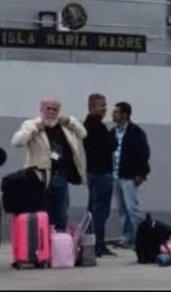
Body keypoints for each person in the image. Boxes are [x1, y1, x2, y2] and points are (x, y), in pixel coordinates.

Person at [11, 98, 87, 231]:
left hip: (60, 176)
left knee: (61, 212)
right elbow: (17, 142)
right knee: (42, 211)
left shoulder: (65, 126)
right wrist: (34, 130)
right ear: (41, 110)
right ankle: (42, 242)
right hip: (39, 177)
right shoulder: (31, 124)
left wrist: (70, 121)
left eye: (55, 109)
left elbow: (83, 133)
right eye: (48, 109)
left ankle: (60, 240)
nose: (51, 112)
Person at [111, 101, 150, 249]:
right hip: (115, 176)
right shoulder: (112, 132)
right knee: (122, 210)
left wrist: (141, 173)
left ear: (125, 115)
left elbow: (144, 153)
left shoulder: (135, 132)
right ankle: (128, 238)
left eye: (116, 112)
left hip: (129, 176)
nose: (113, 115)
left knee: (132, 209)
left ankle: (141, 239)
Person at [83, 93, 117, 258]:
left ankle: (95, 243)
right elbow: (107, 147)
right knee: (100, 211)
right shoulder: (95, 126)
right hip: (100, 173)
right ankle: (97, 244)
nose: (104, 108)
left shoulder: (92, 125)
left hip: (96, 173)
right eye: (100, 105)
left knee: (95, 210)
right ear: (91, 108)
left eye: (105, 105)